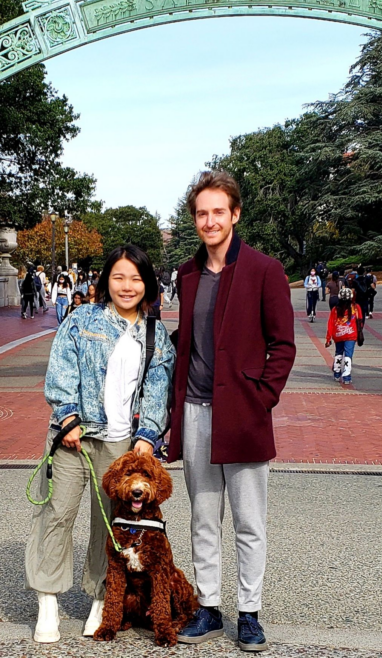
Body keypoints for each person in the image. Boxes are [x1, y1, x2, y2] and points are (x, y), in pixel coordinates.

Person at [168, 171, 295, 652]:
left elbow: (283, 345)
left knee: (249, 521)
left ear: (235, 214)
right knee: (203, 516)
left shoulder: (264, 270)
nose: (210, 220)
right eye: (202, 213)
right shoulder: (187, 273)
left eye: (218, 211)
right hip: (197, 411)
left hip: (243, 413)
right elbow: (190, 343)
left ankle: (249, 612)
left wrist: (261, 399)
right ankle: (208, 608)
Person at [25, 244, 175, 644]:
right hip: (74, 437)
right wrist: (69, 416)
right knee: (57, 514)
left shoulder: (154, 333)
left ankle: (100, 597)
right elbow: (61, 369)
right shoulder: (81, 320)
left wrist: (147, 437)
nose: (127, 286)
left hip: (122, 445)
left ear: (147, 283)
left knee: (108, 525)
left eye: (136, 278)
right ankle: (48, 599)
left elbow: (156, 390)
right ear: (106, 280)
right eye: (119, 277)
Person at [325, 287, 363, 384]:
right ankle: (346, 376)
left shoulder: (335, 309)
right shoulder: (356, 307)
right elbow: (360, 321)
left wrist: (328, 338)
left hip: (338, 335)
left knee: (338, 353)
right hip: (351, 334)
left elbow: (330, 323)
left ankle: (337, 374)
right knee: (348, 355)